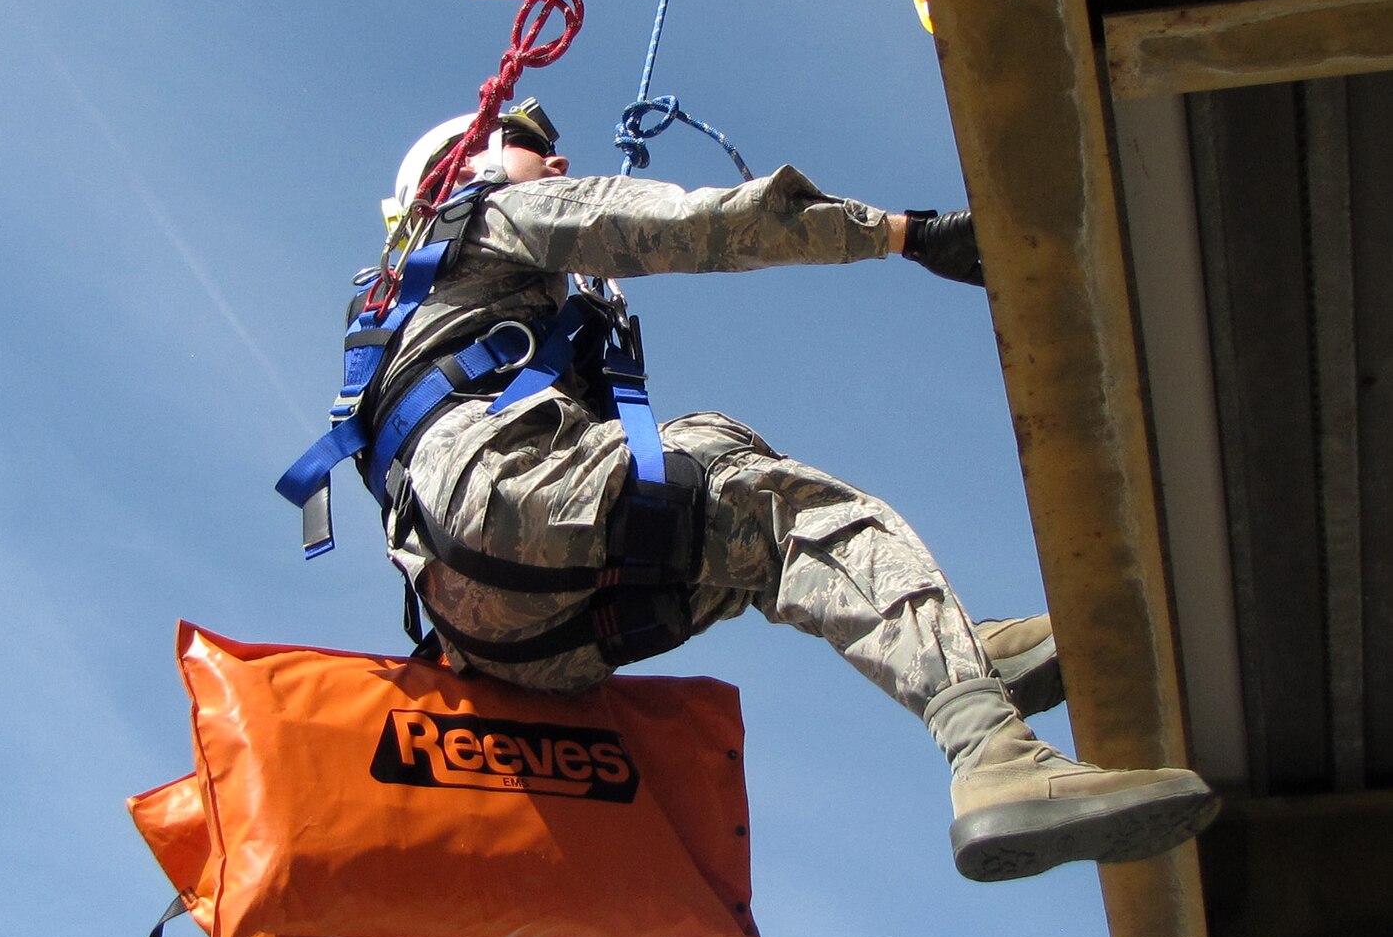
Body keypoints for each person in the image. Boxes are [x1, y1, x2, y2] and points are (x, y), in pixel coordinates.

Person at [345, 104, 1217, 882]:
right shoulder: (490, 214)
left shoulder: (424, 318)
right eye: (534, 144)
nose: (557, 161)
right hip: (501, 496)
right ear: (465, 167)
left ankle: (950, 649)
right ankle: (994, 751)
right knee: (788, 511)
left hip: (497, 626)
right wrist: (903, 233)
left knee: (732, 512)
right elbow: (693, 225)